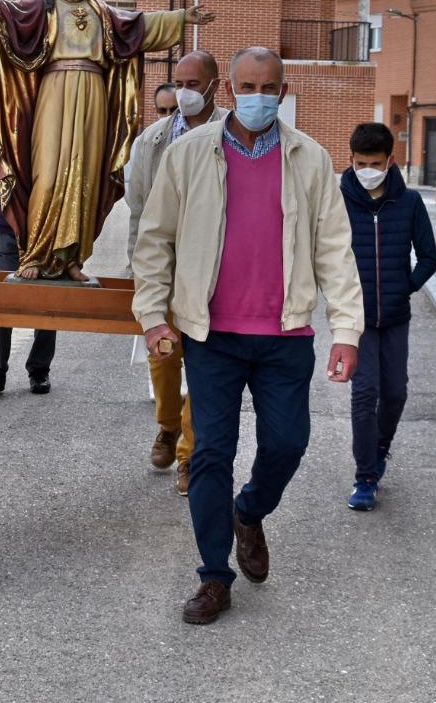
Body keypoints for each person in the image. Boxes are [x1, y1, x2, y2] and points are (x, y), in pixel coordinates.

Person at [133, 47, 363, 626]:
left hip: (286, 333)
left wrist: (347, 330)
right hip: (212, 334)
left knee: (288, 444)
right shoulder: (188, 154)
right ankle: (214, 576)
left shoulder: (309, 158)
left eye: (269, 87)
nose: (259, 96)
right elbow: (155, 240)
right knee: (211, 452)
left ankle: (250, 511)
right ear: (230, 90)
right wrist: (154, 316)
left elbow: (335, 249)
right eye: (248, 86)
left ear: (282, 92)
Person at [0, 0, 214, 280]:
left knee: (86, 176)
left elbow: (141, 25)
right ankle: (35, 253)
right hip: (53, 91)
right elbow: (3, 11)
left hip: (94, 96)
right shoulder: (43, 9)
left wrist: (183, 17)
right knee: (47, 174)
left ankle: (72, 257)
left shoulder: (104, 14)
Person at [124, 52, 222, 496]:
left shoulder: (230, 133)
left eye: (192, 83)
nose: (184, 92)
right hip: (165, 268)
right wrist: (139, 272)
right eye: (178, 83)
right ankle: (168, 425)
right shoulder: (152, 141)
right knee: (163, 357)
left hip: (212, 270)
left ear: (214, 85)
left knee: (204, 365)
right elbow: (139, 212)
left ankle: (188, 455)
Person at [340, 122, 436, 511]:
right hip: (357, 318)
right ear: (351, 159)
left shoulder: (409, 202)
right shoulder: (339, 202)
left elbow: (429, 257)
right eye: (360, 163)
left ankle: (380, 448)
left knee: (395, 392)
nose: (367, 170)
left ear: (390, 162)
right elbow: (326, 255)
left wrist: (405, 286)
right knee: (365, 391)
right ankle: (365, 476)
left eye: (375, 163)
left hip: (396, 316)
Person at [0, 200, 57, 399]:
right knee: (2, 304)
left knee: (46, 302)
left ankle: (39, 369)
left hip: (47, 231)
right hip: (8, 230)